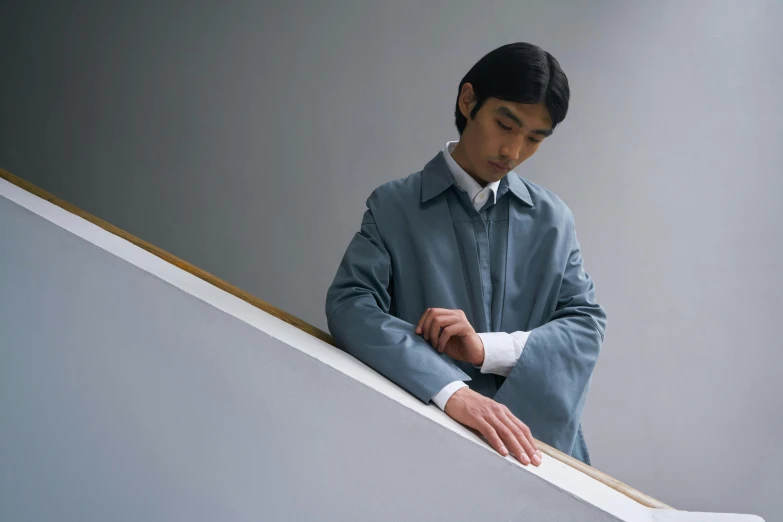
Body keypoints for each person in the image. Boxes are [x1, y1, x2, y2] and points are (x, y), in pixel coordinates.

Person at [325, 42, 606, 467]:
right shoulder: (394, 206)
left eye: (534, 138)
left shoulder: (553, 219)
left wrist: (484, 350)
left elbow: (585, 326)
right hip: (423, 447)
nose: (513, 152)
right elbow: (351, 305)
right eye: (505, 124)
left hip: (535, 458)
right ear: (468, 100)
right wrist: (451, 390)